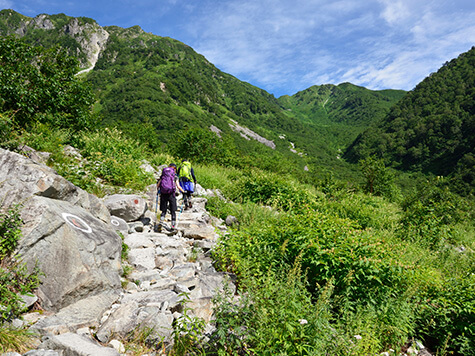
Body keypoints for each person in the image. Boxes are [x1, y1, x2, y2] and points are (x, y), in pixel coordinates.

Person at [156, 163, 184, 229]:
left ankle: (161, 221)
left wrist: (158, 191)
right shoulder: (175, 176)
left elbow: (158, 185)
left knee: (164, 210)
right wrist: (183, 192)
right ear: (175, 169)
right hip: (171, 194)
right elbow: (178, 186)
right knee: (173, 210)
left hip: (163, 193)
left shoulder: (163, 175)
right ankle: (173, 225)